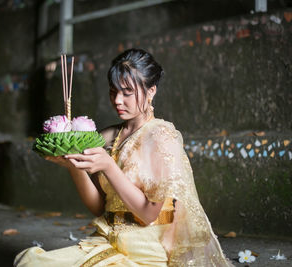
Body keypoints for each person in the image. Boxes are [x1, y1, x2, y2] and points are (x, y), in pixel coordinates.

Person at [14, 48, 234, 266]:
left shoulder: (162, 136)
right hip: (107, 239)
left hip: (145, 247)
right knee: (29, 263)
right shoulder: (108, 136)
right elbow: (100, 207)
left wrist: (109, 166)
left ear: (151, 91)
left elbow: (149, 215)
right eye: (113, 91)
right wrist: (74, 166)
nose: (118, 100)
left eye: (127, 92)